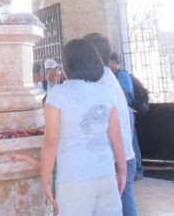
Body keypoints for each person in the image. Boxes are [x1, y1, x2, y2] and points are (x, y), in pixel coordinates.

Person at [41, 38, 126, 216]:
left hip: (74, 177)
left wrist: (46, 178)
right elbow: (116, 137)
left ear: (67, 65)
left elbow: (51, 140)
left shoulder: (57, 94)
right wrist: (122, 171)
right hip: (105, 172)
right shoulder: (105, 93)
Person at [85, 34, 138, 216]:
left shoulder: (102, 83)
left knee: (123, 208)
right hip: (121, 156)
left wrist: (120, 168)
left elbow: (112, 132)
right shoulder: (105, 77)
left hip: (117, 159)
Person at [109, 52, 144, 182]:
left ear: (113, 62)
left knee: (131, 141)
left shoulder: (122, 75)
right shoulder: (115, 76)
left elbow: (125, 93)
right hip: (122, 112)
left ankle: (137, 170)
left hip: (126, 112)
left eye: (108, 62)